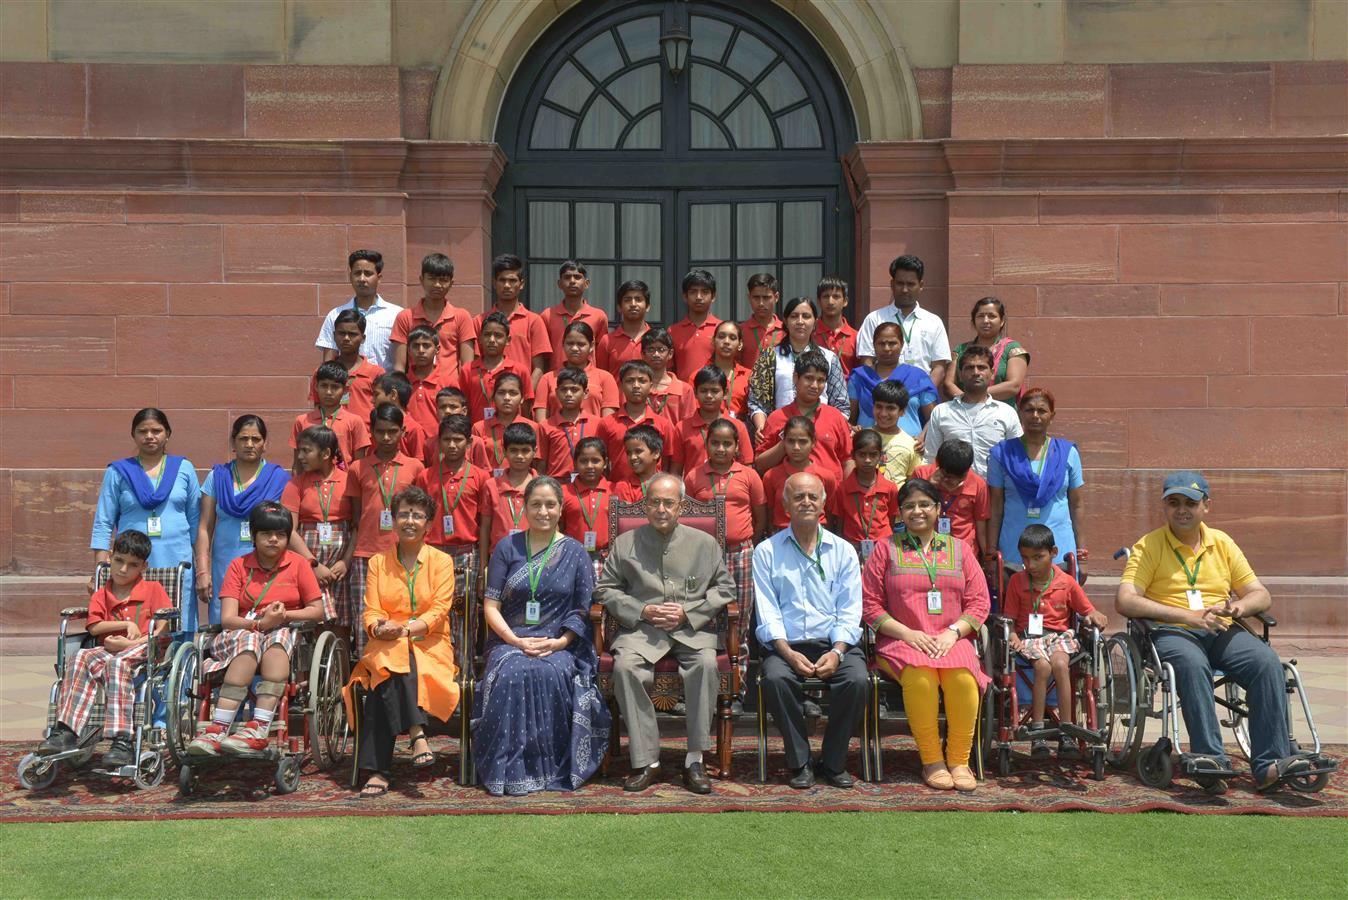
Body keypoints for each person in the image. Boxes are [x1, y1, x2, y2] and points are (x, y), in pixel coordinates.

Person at [1116, 471, 1312, 792]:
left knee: (1266, 663)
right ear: (1164, 507)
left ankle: (1270, 765)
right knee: (1193, 666)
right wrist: (1189, 616)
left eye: (1191, 503)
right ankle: (1211, 759)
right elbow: (1125, 600)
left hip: (1222, 628)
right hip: (1173, 631)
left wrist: (1237, 608)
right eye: (1174, 503)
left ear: (1206, 506)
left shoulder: (1222, 543)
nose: (1182, 510)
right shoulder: (1149, 546)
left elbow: (1260, 594)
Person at [595, 473, 737, 794]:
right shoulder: (625, 544)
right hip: (643, 630)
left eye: (668, 503)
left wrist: (690, 612)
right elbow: (605, 590)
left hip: (691, 630)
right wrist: (641, 610)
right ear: (645, 505)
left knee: (705, 664)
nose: (661, 509)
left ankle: (695, 758)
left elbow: (725, 588)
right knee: (625, 667)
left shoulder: (704, 543)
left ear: (681, 506)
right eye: (654, 502)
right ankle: (648, 761)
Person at [473, 476, 611, 795]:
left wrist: (561, 642)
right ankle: (505, 768)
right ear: (524, 508)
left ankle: (550, 767)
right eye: (536, 504)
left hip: (559, 643)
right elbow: (491, 606)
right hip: (509, 641)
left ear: (561, 509)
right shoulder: (507, 547)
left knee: (551, 673)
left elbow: (581, 609)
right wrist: (515, 641)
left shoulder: (575, 552)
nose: (543, 511)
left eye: (550, 505)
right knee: (511, 674)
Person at [861, 478, 990, 792]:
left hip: (951, 639)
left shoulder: (960, 549)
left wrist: (952, 632)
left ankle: (959, 760)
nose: (916, 511)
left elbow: (979, 601)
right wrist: (907, 634)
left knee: (962, 677)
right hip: (900, 641)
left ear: (937, 509)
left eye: (923, 504)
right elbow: (870, 604)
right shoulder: (885, 549)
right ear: (901, 513)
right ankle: (932, 760)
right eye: (909, 506)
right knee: (921, 676)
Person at [345, 486, 460, 797]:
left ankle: (378, 771)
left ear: (429, 523)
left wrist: (408, 630)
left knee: (386, 677)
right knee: (390, 661)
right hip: (385, 640)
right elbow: (371, 609)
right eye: (404, 514)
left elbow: (440, 608)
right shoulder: (377, 563)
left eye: (417, 515)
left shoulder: (442, 562)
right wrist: (378, 627)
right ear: (393, 520)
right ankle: (416, 731)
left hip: (429, 642)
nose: (410, 520)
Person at [754, 472, 866, 789]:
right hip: (785, 644)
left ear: (823, 504)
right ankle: (800, 762)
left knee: (857, 680)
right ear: (785, 504)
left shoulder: (843, 551)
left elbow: (850, 609)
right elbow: (767, 610)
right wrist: (787, 653)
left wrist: (838, 650)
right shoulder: (766, 551)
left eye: (812, 497)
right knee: (775, 678)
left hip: (834, 644)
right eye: (798, 496)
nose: (806, 502)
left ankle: (833, 762)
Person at [187, 502, 326, 756]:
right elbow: (228, 618)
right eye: (266, 534)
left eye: (281, 535)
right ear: (253, 536)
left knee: (278, 641)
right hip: (240, 633)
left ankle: (258, 728)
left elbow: (317, 611)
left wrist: (283, 616)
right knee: (249, 642)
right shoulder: (238, 565)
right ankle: (218, 728)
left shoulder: (299, 565)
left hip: (283, 630)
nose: (273, 540)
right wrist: (260, 624)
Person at [38, 531, 171, 768]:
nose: (123, 569)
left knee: (117, 664)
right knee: (80, 657)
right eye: (119, 561)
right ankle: (66, 730)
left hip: (144, 650)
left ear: (143, 566)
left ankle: (122, 740)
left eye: (132, 565)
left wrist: (132, 643)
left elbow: (163, 626)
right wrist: (125, 624)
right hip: (108, 650)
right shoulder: (102, 593)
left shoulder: (153, 590)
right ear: (110, 557)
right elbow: (94, 626)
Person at [1003, 525, 1107, 758]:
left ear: (1053, 552)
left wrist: (1094, 615)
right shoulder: (1017, 582)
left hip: (1060, 635)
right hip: (1029, 637)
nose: (1031, 565)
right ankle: (1038, 731)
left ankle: (1066, 730)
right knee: (1042, 667)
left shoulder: (1067, 582)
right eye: (1025, 559)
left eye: (1038, 558)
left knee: (1060, 665)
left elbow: (1086, 609)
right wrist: (1012, 636)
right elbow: (1008, 619)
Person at [90, 408, 201, 627]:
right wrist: (99, 570)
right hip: (130, 563)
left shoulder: (184, 468)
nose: (149, 436)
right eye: (143, 431)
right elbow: (103, 521)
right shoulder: (118, 471)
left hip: (177, 559)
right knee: (132, 620)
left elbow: (196, 520)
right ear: (133, 435)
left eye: (156, 430)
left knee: (178, 621)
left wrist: (203, 568)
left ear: (167, 433)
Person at [345, 404, 426, 656]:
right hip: (365, 553)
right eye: (381, 432)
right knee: (366, 618)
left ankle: (402, 669)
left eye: (393, 431)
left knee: (401, 613)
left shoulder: (415, 467)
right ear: (371, 432)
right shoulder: (358, 468)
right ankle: (366, 676)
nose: (387, 438)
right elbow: (357, 514)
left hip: (403, 553)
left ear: (403, 431)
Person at [196, 415, 290, 624]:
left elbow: (288, 528)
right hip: (224, 565)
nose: (249, 444)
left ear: (265, 444)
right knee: (224, 623)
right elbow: (204, 527)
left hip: (267, 564)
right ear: (233, 442)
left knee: (264, 622)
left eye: (256, 439)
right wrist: (203, 570)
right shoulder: (218, 477)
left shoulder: (279, 478)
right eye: (243, 438)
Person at [987, 388, 1085, 574]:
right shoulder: (1002, 454)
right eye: (1029, 410)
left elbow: (1077, 505)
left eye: (1042, 410)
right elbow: (995, 507)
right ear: (1019, 413)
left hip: (1059, 548)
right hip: (1014, 549)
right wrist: (991, 553)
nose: (1035, 415)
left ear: (1052, 415)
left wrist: (1082, 554)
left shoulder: (1068, 453)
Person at [282, 425, 356, 646]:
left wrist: (346, 561)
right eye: (300, 451)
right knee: (312, 622)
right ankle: (310, 677)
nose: (301, 456)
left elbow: (358, 525)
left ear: (325, 454)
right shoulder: (297, 483)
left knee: (341, 625)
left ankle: (339, 677)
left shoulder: (349, 479)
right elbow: (289, 528)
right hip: (309, 559)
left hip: (340, 565)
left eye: (307, 451)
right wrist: (312, 564)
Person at [414, 415, 490, 624]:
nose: (452, 445)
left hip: (466, 553)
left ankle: (463, 658)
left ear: (469, 442)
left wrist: (483, 567)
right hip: (432, 551)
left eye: (458, 439)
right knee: (432, 613)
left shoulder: (481, 477)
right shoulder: (426, 476)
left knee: (463, 615)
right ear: (439, 442)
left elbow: (485, 524)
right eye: (447, 440)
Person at [747, 297, 849, 432]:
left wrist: (829, 429)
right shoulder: (769, 356)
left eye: (806, 316)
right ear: (786, 321)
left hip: (819, 432)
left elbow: (841, 405)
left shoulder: (829, 358)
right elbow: (756, 400)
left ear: (815, 322)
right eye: (794, 316)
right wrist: (762, 427)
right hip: (779, 431)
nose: (800, 322)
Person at [922, 345, 1022, 477]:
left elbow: (1017, 457)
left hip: (995, 491)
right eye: (969, 368)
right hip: (953, 491)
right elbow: (931, 458)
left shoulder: (1006, 413)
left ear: (991, 373)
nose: (976, 372)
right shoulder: (942, 411)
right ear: (961, 374)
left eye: (982, 367)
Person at [855, 254, 951, 387]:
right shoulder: (874, 319)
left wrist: (922, 394)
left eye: (911, 284)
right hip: (883, 401)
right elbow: (867, 362)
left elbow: (939, 368)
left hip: (921, 400)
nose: (905, 290)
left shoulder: (934, 322)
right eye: (900, 283)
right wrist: (883, 395)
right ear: (892, 284)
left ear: (921, 285)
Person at [753, 350, 853, 478]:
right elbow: (760, 465)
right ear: (796, 377)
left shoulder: (835, 417)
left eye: (821, 380)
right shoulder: (777, 418)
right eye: (809, 378)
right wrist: (787, 441)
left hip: (829, 494)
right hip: (789, 494)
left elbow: (848, 460)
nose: (815, 385)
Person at [315, 249, 403, 372]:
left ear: (379, 278)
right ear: (351, 277)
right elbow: (329, 362)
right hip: (346, 387)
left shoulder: (397, 315)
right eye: (357, 273)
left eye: (368, 273)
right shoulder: (335, 315)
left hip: (384, 387)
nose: (362, 279)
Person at [472, 373, 571, 480]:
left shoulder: (534, 428)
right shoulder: (479, 428)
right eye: (501, 393)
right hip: (489, 486)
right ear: (493, 397)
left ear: (522, 398)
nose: (506, 398)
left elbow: (538, 465)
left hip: (525, 487)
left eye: (513, 393)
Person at [390, 252, 476, 371]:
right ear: (421, 280)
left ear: (451, 283)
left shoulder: (462, 316)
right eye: (431, 279)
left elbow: (467, 366)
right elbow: (399, 365)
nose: (437, 284)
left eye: (443, 280)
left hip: (450, 388)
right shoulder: (405, 317)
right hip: (415, 387)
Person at [596, 361, 678, 484]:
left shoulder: (663, 424)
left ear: (651, 385)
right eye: (630, 381)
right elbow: (600, 460)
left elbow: (667, 462)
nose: (636, 385)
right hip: (618, 491)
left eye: (642, 381)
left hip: (653, 492)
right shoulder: (607, 423)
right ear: (621, 386)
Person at [477, 253, 550, 389]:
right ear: (494, 283)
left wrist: (524, 397)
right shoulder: (479, 321)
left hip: (521, 399)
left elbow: (539, 367)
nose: (506, 285)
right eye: (502, 280)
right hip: (487, 396)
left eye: (512, 281)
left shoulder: (534, 321)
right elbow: (475, 364)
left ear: (521, 284)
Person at [848, 322, 939, 430]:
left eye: (892, 343)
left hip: (909, 444)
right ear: (874, 345)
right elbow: (851, 419)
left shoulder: (918, 377)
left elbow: (933, 419)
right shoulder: (860, 377)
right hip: (869, 444)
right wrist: (853, 429)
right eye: (881, 343)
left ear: (902, 344)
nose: (886, 348)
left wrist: (921, 438)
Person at [828, 430, 900, 564]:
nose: (867, 460)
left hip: (883, 548)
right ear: (853, 455)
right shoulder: (842, 489)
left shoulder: (890, 488)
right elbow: (840, 523)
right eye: (862, 454)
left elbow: (891, 519)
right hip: (851, 549)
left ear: (881, 456)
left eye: (873, 455)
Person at [944, 297, 1029, 408]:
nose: (985, 321)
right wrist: (967, 401)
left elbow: (1014, 385)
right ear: (973, 320)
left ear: (1002, 321)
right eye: (980, 316)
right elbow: (948, 384)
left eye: (991, 316)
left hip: (1001, 416)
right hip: (964, 413)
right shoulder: (961, 350)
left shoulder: (1012, 349)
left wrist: (975, 396)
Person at [911, 440, 991, 559]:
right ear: (938, 463)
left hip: (963, 553)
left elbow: (981, 526)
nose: (953, 481)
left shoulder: (979, 484)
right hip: (925, 550)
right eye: (947, 476)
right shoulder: (921, 475)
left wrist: (986, 557)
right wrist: (929, 485)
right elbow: (910, 509)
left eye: (959, 477)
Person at [761, 416, 841, 532]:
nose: (796, 447)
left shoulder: (826, 477)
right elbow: (770, 512)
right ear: (784, 442)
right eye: (791, 441)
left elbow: (828, 511)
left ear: (813, 442)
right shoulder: (771, 476)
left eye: (803, 441)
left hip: (817, 536)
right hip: (782, 537)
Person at [673, 366, 754, 474]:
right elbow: (676, 470)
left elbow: (747, 468)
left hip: (731, 488)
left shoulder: (738, 426)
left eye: (715, 391)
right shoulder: (682, 427)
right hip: (694, 489)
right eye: (703, 391)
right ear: (695, 392)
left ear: (725, 393)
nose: (709, 396)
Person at [292, 361, 371, 471]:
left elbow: (359, 466)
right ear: (316, 386)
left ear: (345, 390)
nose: (329, 392)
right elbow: (297, 465)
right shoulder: (302, 421)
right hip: (309, 485)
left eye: (335, 387)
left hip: (344, 485)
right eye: (324, 385)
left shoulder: (355, 421)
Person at [308, 308, 384, 422]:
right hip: (331, 436)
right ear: (334, 335)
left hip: (366, 437)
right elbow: (318, 408)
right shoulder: (322, 372)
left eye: (352, 334)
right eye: (341, 333)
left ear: (363, 338)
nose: (346, 338)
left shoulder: (376, 373)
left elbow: (382, 410)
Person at [462, 310, 536, 425]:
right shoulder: (467, 370)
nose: (492, 340)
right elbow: (464, 407)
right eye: (487, 335)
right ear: (480, 338)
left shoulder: (520, 370)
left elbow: (526, 410)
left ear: (508, 340)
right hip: (479, 435)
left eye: (498, 335)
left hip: (513, 437)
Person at [533, 321, 619, 420]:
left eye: (581, 344)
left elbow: (607, 421)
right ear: (563, 344)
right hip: (556, 434)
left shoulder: (605, 378)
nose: (574, 348)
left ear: (591, 346)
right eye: (570, 343)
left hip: (594, 434)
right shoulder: (547, 378)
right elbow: (541, 423)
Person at [479, 422, 540, 557]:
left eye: (525, 450)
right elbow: (485, 528)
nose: (519, 456)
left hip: (534, 556)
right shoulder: (492, 485)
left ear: (534, 451)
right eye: (513, 450)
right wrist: (483, 568)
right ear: (505, 451)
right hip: (500, 557)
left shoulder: (542, 486)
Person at [541, 261, 610, 372]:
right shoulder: (547, 315)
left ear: (586, 283)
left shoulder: (599, 316)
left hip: (589, 380)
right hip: (557, 380)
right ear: (559, 284)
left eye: (577, 277)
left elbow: (602, 354)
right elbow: (543, 356)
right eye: (567, 277)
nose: (572, 281)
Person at [561, 437, 613, 575]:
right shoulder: (564, 492)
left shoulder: (614, 490)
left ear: (605, 463)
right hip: (572, 557)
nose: (590, 466)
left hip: (605, 559)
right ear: (575, 463)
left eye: (595, 461)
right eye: (584, 461)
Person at [403, 325, 461, 439]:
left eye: (426, 345)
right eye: (416, 346)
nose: (421, 351)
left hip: (439, 445)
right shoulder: (402, 382)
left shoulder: (448, 383)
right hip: (408, 445)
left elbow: (456, 419)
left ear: (437, 349)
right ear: (409, 350)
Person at [669, 268, 723, 383]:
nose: (699, 297)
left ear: (713, 296)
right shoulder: (673, 331)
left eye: (705, 292)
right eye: (693, 292)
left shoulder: (722, 329)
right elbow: (669, 369)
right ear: (685, 296)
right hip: (684, 397)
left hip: (714, 395)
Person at [596, 279, 652, 378]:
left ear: (647, 306)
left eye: (638, 299)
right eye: (627, 300)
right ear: (619, 307)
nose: (633, 304)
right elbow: (601, 378)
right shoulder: (607, 341)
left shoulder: (657, 340)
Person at [642, 325, 696, 425]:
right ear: (643, 354)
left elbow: (688, 426)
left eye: (661, 350)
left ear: (670, 354)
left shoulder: (684, 390)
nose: (656, 354)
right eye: (651, 349)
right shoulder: (637, 386)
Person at [546, 367, 602, 462]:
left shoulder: (599, 424)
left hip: (589, 476)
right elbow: (541, 465)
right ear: (556, 392)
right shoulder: (546, 426)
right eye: (564, 389)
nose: (568, 394)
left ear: (585, 393)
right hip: (555, 477)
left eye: (574, 390)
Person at [372, 372, 430, 463]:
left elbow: (419, 467)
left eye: (376, 394)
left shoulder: (414, 429)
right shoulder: (377, 424)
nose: (372, 400)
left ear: (393, 395)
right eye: (380, 432)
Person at [872, 381, 922, 487]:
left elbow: (911, 484)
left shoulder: (912, 445)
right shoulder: (860, 437)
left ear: (902, 411)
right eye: (879, 406)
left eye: (890, 408)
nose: (883, 413)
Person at [738, 272, 783, 371]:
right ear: (749, 298)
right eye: (756, 298)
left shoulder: (786, 331)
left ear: (776, 297)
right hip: (748, 385)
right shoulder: (740, 331)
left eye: (766, 298)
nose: (761, 303)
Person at [814, 276, 858, 376]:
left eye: (836, 296)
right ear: (818, 301)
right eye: (826, 296)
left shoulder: (856, 337)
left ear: (845, 301)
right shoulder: (810, 333)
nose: (830, 302)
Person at [709, 320, 752, 420]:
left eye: (732, 338)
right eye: (721, 337)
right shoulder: (698, 375)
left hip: (739, 431)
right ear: (713, 341)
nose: (726, 342)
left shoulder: (749, 376)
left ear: (740, 345)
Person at [614, 424, 664, 501]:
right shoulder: (624, 487)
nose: (632, 457)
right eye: (629, 453)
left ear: (656, 453)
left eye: (638, 451)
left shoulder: (668, 483)